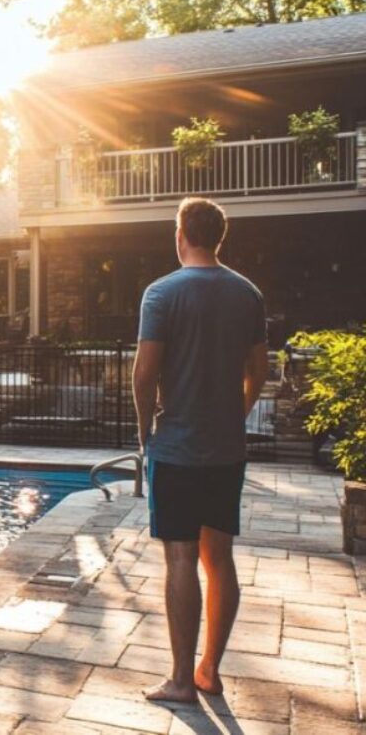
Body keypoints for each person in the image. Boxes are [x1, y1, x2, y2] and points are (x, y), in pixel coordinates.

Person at [133, 197, 269, 704]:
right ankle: (209, 670)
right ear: (219, 238)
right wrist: (238, 412)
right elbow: (260, 370)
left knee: (180, 560)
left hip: (178, 448)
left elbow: (145, 375)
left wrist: (145, 432)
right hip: (226, 450)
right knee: (221, 561)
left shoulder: (162, 293)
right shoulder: (247, 294)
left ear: (180, 234)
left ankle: (179, 679)